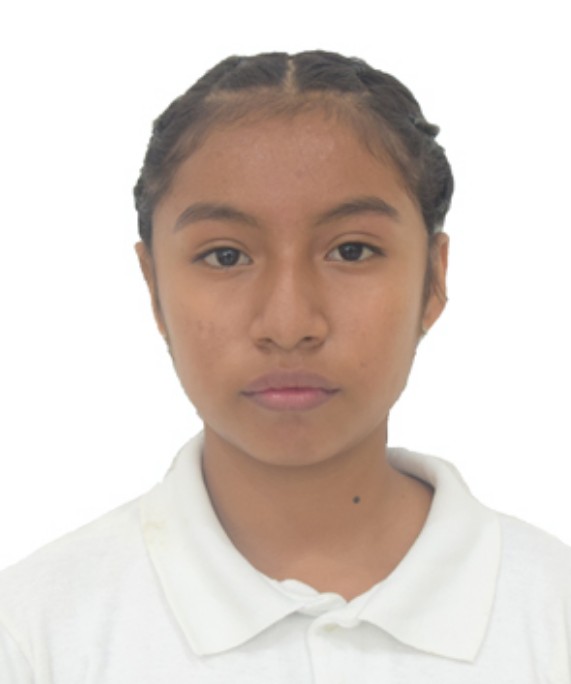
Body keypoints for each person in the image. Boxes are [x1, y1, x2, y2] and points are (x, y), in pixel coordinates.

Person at [0, 50, 569, 682]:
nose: (289, 323)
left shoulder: (552, 620)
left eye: (352, 251)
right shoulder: (34, 638)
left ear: (433, 279)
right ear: (154, 285)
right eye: (225, 256)